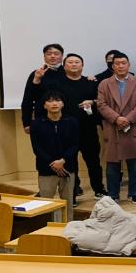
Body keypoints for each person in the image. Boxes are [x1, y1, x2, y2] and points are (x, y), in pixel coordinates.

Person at [96, 52, 136, 204]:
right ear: (112, 66)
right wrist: (117, 118)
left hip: (133, 127)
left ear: (128, 65)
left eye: (123, 63)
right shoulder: (104, 84)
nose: (120, 66)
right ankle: (113, 194)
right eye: (117, 63)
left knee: (134, 166)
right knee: (112, 166)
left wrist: (128, 119)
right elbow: (101, 105)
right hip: (113, 128)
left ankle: (134, 193)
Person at [54, 53, 105, 200]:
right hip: (66, 130)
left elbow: (101, 100)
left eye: (77, 62)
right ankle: (73, 192)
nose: (74, 64)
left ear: (82, 65)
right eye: (70, 62)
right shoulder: (58, 84)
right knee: (70, 162)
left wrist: (92, 102)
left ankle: (99, 189)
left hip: (88, 129)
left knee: (94, 161)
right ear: (64, 66)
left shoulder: (91, 82)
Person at [30, 90, 78, 221]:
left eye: (57, 100)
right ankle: (47, 230)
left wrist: (62, 160)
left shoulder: (72, 122)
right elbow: (37, 148)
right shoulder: (37, 124)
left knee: (68, 203)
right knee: (45, 204)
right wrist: (53, 163)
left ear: (63, 104)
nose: (54, 104)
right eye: (50, 101)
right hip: (46, 169)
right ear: (44, 105)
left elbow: (75, 145)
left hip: (67, 167)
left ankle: (68, 229)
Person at [21, 43, 66, 134]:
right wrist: (26, 122)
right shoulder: (36, 74)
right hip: (42, 118)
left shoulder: (68, 72)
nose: (52, 56)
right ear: (44, 57)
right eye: (49, 54)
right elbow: (28, 99)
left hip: (66, 119)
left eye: (56, 53)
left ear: (62, 56)